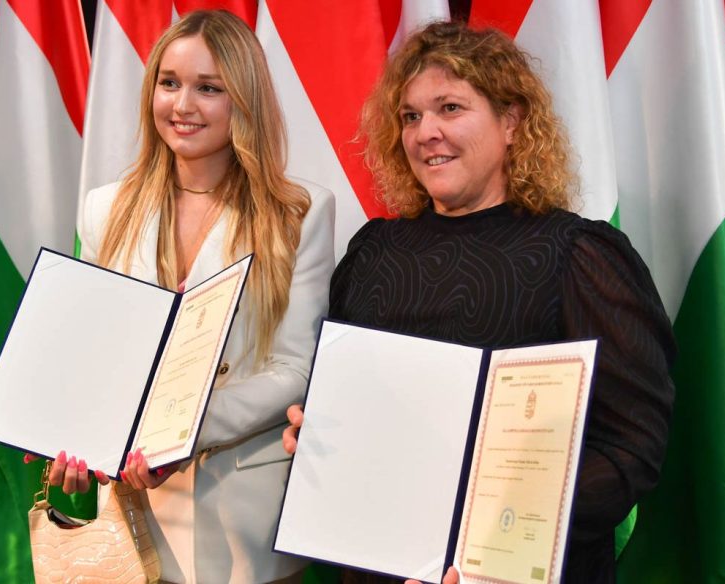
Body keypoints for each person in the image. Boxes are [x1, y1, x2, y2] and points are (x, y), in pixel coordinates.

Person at [282, 21, 675, 584]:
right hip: (377, 565)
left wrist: (487, 542)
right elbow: (350, 403)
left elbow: (630, 447)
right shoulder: (373, 252)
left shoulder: (577, 254)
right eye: (411, 116)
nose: (426, 133)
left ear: (511, 122)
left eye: (450, 108)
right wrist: (320, 433)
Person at [39, 10, 335, 584]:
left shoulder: (299, 212)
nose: (182, 105)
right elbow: (96, 358)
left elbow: (296, 369)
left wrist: (180, 432)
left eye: (209, 88)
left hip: (245, 525)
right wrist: (71, 437)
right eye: (169, 83)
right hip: (132, 518)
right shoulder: (105, 208)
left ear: (244, 100)